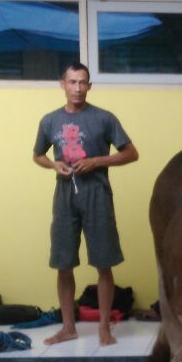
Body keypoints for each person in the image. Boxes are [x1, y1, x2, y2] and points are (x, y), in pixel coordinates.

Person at [33, 63, 138, 346]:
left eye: (82, 82)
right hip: (65, 195)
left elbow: (131, 153)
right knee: (63, 263)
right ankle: (69, 327)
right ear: (62, 84)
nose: (77, 88)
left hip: (97, 194)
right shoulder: (49, 121)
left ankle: (105, 326)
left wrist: (97, 161)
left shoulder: (104, 118)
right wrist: (54, 164)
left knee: (104, 262)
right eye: (72, 82)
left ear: (89, 86)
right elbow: (38, 155)